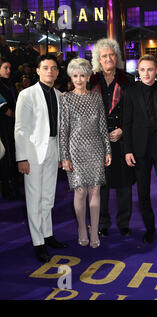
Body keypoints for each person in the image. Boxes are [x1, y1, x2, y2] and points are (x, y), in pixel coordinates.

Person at [14, 54, 68, 263]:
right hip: (32, 153)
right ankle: (38, 243)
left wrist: (61, 156)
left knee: (48, 197)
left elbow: (60, 129)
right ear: (37, 70)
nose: (50, 71)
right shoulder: (26, 95)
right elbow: (20, 129)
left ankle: (48, 234)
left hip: (52, 150)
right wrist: (22, 158)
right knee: (34, 199)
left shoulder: (58, 95)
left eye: (54, 68)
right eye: (45, 68)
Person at [123, 54, 157, 244]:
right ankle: (149, 228)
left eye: (150, 69)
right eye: (142, 69)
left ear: (156, 71)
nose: (146, 73)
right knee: (143, 191)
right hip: (140, 148)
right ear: (138, 71)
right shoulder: (130, 92)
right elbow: (127, 122)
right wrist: (128, 150)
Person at [59, 58, 112, 248]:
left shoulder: (96, 97)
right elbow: (63, 129)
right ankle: (82, 228)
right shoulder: (65, 99)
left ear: (88, 77)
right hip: (75, 149)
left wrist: (107, 150)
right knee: (80, 191)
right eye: (75, 76)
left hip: (96, 147)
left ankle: (94, 229)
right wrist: (64, 156)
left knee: (95, 189)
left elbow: (103, 126)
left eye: (82, 75)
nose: (79, 79)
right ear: (71, 77)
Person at [90, 38, 135, 238]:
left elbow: (135, 111)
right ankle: (103, 223)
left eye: (111, 55)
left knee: (124, 184)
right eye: (104, 56)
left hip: (121, 138)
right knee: (102, 185)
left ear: (116, 57)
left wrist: (122, 130)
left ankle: (124, 223)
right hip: (98, 140)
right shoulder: (91, 80)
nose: (108, 58)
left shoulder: (128, 80)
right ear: (98, 59)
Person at [0, 57, 20, 200]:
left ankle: (13, 187)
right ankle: (6, 189)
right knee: (5, 156)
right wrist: (19, 116)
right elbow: (5, 109)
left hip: (11, 126)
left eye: (9, 68)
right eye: (5, 68)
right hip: (3, 126)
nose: (8, 70)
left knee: (12, 155)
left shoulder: (9, 84)